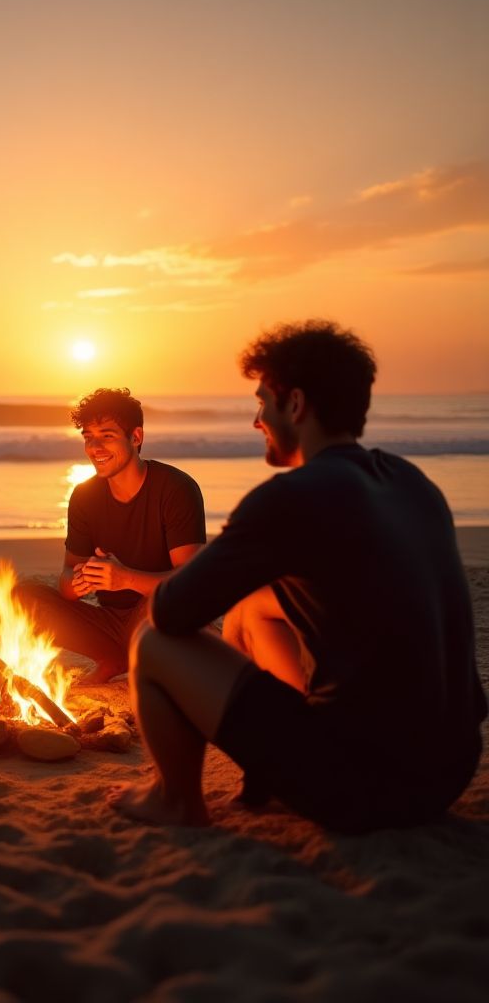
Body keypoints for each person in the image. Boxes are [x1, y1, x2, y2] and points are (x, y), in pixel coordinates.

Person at [109, 320, 485, 832]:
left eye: (263, 401)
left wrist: (221, 551)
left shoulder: (291, 499)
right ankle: (275, 768)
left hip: (368, 787)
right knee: (253, 606)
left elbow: (174, 610)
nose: (256, 419)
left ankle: (175, 799)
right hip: (450, 770)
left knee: (154, 641)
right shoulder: (412, 482)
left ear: (296, 405)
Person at [17, 387, 205, 683]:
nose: (95, 447)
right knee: (22, 595)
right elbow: (66, 581)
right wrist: (81, 580)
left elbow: (193, 585)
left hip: (154, 615)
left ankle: (146, 660)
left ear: (136, 437)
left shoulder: (176, 488)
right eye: (88, 437)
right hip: (107, 624)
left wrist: (124, 578)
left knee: (165, 605)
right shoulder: (84, 495)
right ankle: (112, 659)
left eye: (107, 435)